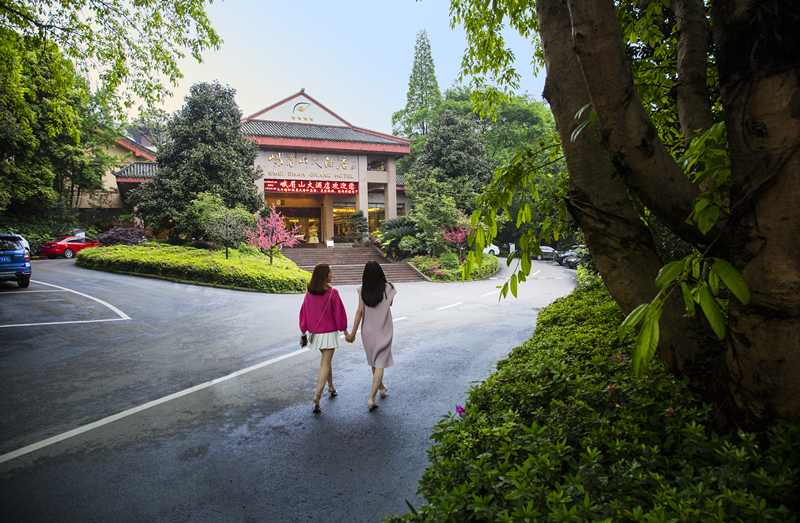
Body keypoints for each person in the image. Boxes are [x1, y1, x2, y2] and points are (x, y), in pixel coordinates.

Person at [346, 261, 396, 411]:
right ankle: (371, 399)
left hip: (367, 331)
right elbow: (390, 304)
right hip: (383, 330)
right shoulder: (389, 288)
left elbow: (359, 312)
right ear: (380, 273)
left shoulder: (362, 290)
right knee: (380, 363)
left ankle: (381, 388)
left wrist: (353, 333)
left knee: (374, 362)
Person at [299, 263, 348, 413]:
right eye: (330, 272)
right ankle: (317, 396)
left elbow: (304, 312)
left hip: (315, 334)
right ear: (325, 275)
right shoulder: (333, 292)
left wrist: (303, 332)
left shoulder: (309, 292)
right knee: (325, 363)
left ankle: (331, 387)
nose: (332, 275)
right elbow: (339, 314)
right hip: (328, 333)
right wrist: (345, 331)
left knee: (326, 361)